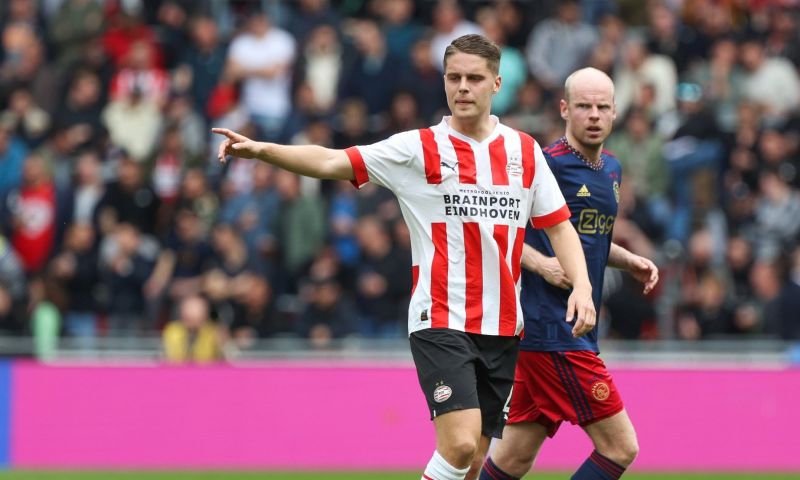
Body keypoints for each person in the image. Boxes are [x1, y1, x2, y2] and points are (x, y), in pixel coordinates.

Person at [214, 34, 595, 480]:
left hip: (503, 327)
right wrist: (261, 150)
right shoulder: (417, 148)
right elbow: (332, 161)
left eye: (474, 78)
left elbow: (559, 226)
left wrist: (583, 286)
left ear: (496, 83)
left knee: (471, 464)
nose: (463, 87)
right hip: (440, 319)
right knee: (461, 443)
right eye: (454, 77)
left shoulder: (524, 152)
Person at [479, 68, 659, 480]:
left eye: (602, 107)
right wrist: (541, 264)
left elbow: (585, 241)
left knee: (513, 460)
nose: (593, 115)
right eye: (583, 106)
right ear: (565, 109)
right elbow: (495, 230)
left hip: (565, 331)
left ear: (615, 113)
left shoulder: (611, 169)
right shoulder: (544, 165)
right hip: (553, 331)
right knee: (620, 447)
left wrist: (629, 260)